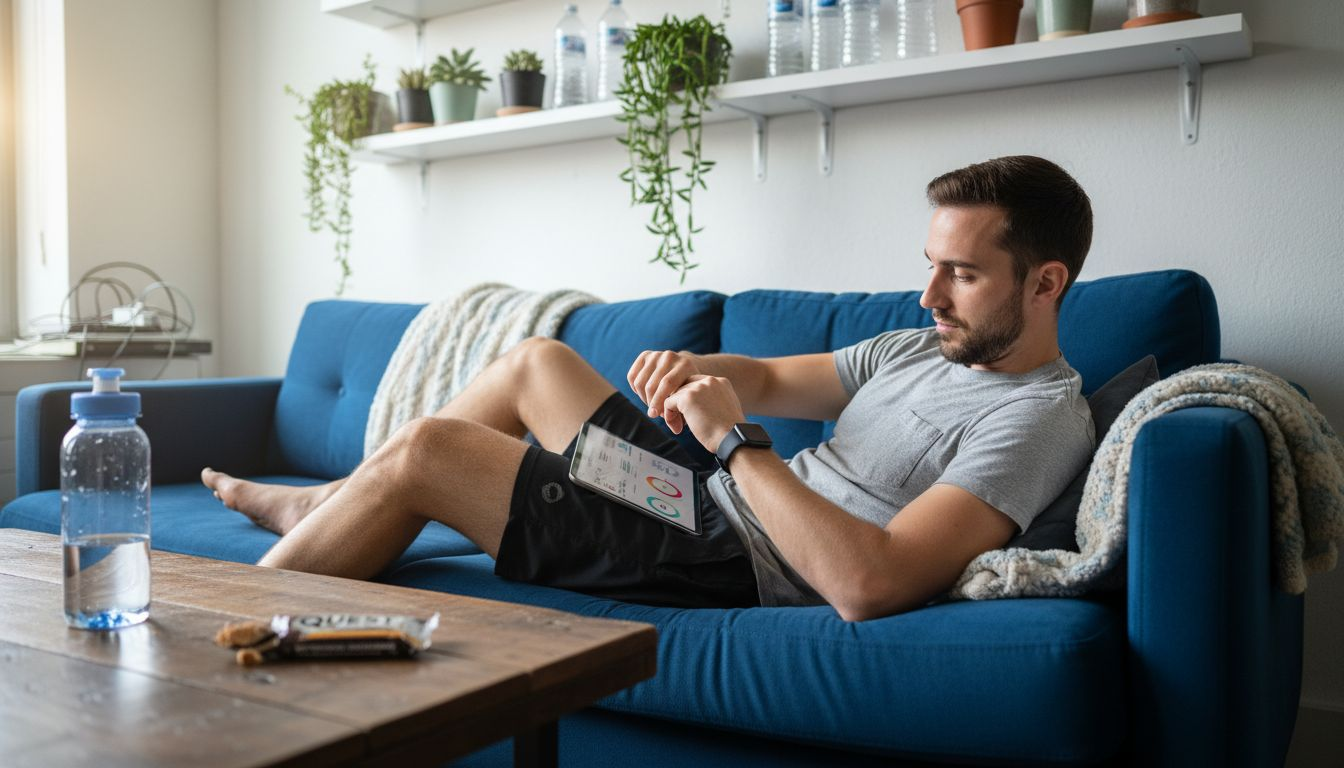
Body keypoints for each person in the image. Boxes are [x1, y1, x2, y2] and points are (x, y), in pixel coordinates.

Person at [202, 155, 1095, 622]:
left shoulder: (1037, 420)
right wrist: (699, 376)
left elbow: (869, 583)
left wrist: (735, 442)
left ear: (1046, 282)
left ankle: (214, 626)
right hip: (695, 499)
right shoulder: (920, 346)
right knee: (534, 363)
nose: (931, 296)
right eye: (929, 267)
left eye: (963, 277)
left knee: (434, 453)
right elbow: (771, 378)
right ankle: (326, 503)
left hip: (723, 556)